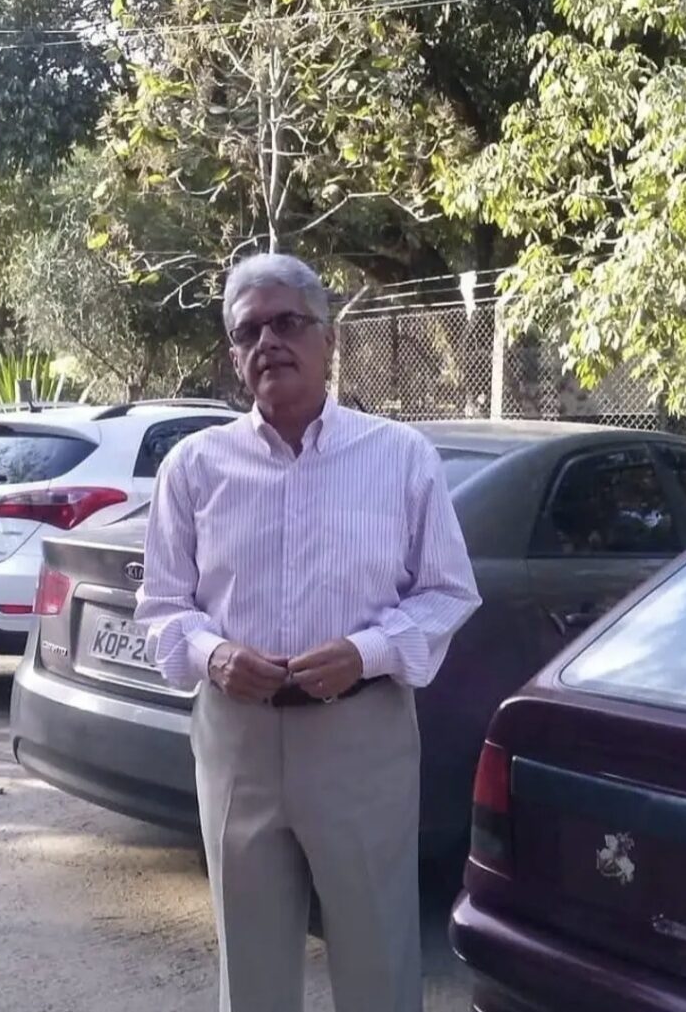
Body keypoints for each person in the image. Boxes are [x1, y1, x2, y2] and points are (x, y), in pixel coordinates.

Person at [135, 253, 481, 1012]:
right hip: (236, 738)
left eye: (287, 322)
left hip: (360, 734)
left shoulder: (399, 457)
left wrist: (367, 651)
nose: (269, 342)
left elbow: (448, 591)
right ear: (234, 356)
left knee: (377, 952)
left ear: (329, 339)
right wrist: (213, 654)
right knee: (250, 956)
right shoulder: (194, 467)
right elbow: (161, 604)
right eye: (248, 331)